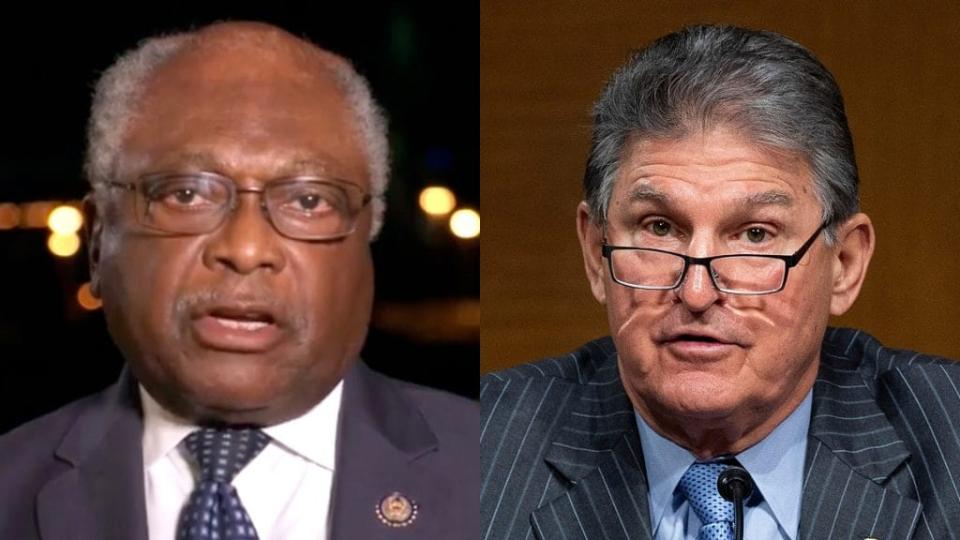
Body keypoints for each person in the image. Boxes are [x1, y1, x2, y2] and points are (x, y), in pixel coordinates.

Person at [0, 21, 478, 540]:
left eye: (308, 201)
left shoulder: (495, 470)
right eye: (186, 194)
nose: (246, 250)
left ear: (369, 242)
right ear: (96, 246)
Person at [480, 24, 960, 540]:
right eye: (659, 228)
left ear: (844, 263)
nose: (696, 294)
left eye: (754, 235)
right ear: (596, 255)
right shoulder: (480, 447)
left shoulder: (948, 438)